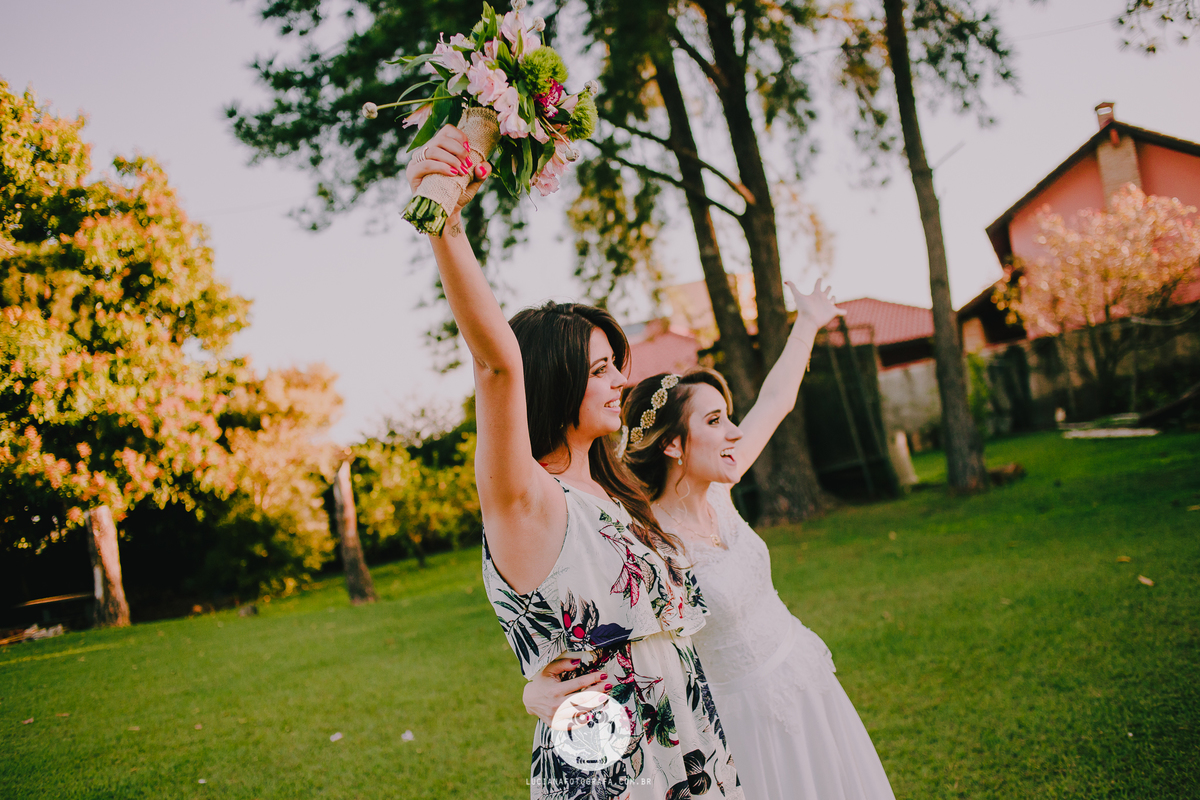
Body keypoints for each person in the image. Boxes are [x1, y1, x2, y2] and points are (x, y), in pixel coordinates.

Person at [407, 124, 744, 800]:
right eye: (598, 370)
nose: (621, 380)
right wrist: (444, 221)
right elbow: (498, 364)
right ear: (553, 384)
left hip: (690, 746)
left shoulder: (620, 495)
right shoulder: (528, 498)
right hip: (611, 764)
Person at [524, 280, 897, 800]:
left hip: (804, 678)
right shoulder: (641, 535)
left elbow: (777, 401)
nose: (736, 434)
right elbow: (599, 624)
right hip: (740, 719)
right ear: (674, 444)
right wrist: (535, 686)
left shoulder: (719, 488)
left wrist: (808, 321)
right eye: (716, 420)